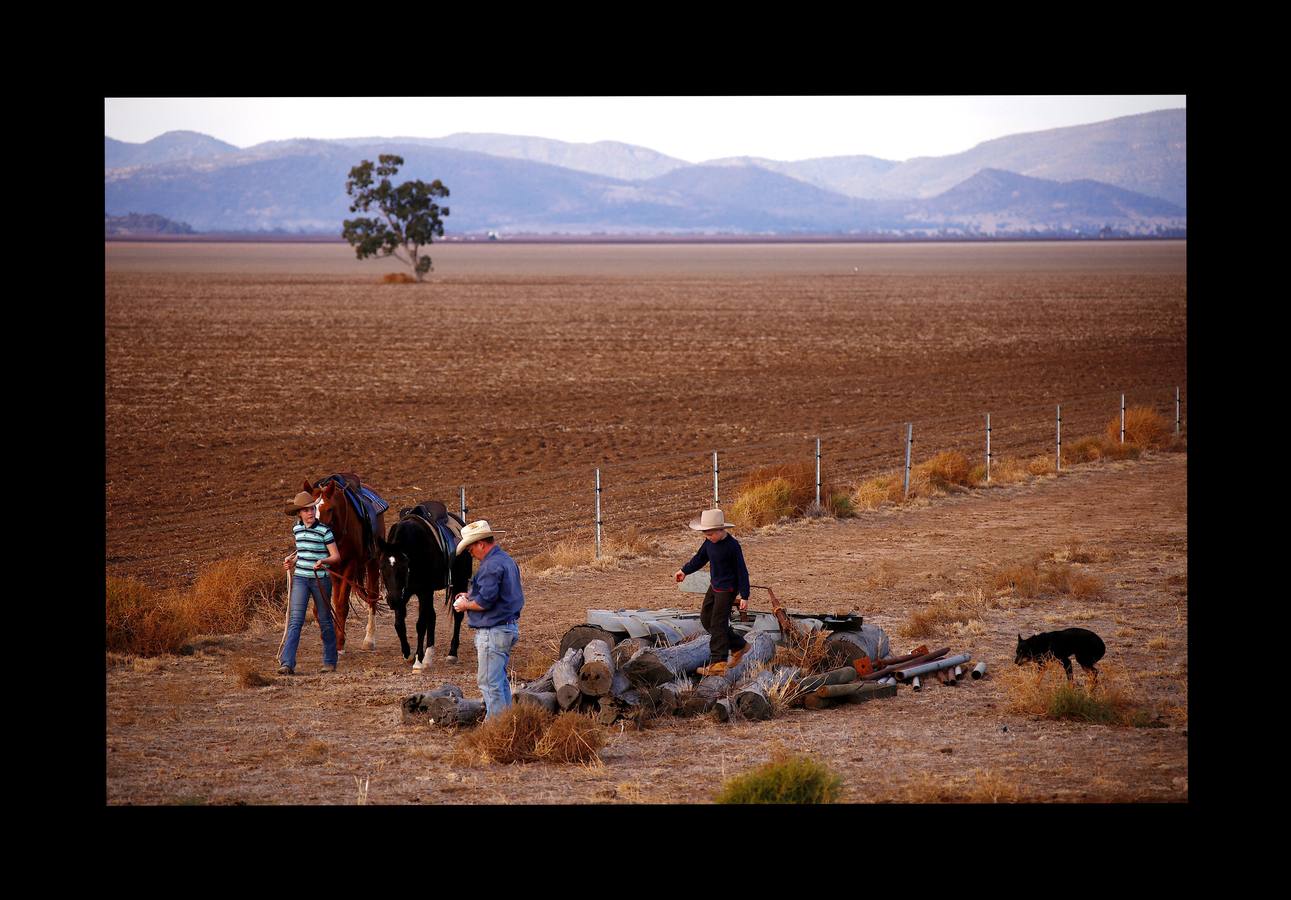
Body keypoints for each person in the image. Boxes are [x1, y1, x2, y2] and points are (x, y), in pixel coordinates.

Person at [452, 520, 524, 718]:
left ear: (481, 544)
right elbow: (496, 594)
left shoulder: (490, 566)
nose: (470, 553)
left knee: (489, 682)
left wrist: (465, 604)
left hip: (493, 631)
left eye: (470, 548)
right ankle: (508, 722)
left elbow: (485, 602)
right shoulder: (505, 560)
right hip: (507, 627)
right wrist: (469, 596)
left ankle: (497, 728)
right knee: (499, 680)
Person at [674, 507, 751, 673]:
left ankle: (718, 663)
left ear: (721, 529)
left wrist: (744, 595)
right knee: (706, 618)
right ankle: (739, 645)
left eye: (711, 534)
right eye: (705, 534)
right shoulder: (709, 543)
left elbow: (742, 571)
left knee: (718, 623)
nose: (708, 537)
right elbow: (699, 558)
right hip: (715, 585)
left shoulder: (732, 546)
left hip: (728, 589)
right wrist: (684, 571)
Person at [279, 491, 341, 675]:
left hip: (320, 580)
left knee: (325, 621)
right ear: (299, 513)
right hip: (300, 579)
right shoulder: (296, 529)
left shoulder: (325, 531)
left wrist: (324, 561)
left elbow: (336, 556)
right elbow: (302, 551)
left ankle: (330, 662)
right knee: (295, 621)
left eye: (312, 508)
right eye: (306, 510)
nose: (310, 513)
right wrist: (292, 562)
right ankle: (287, 663)